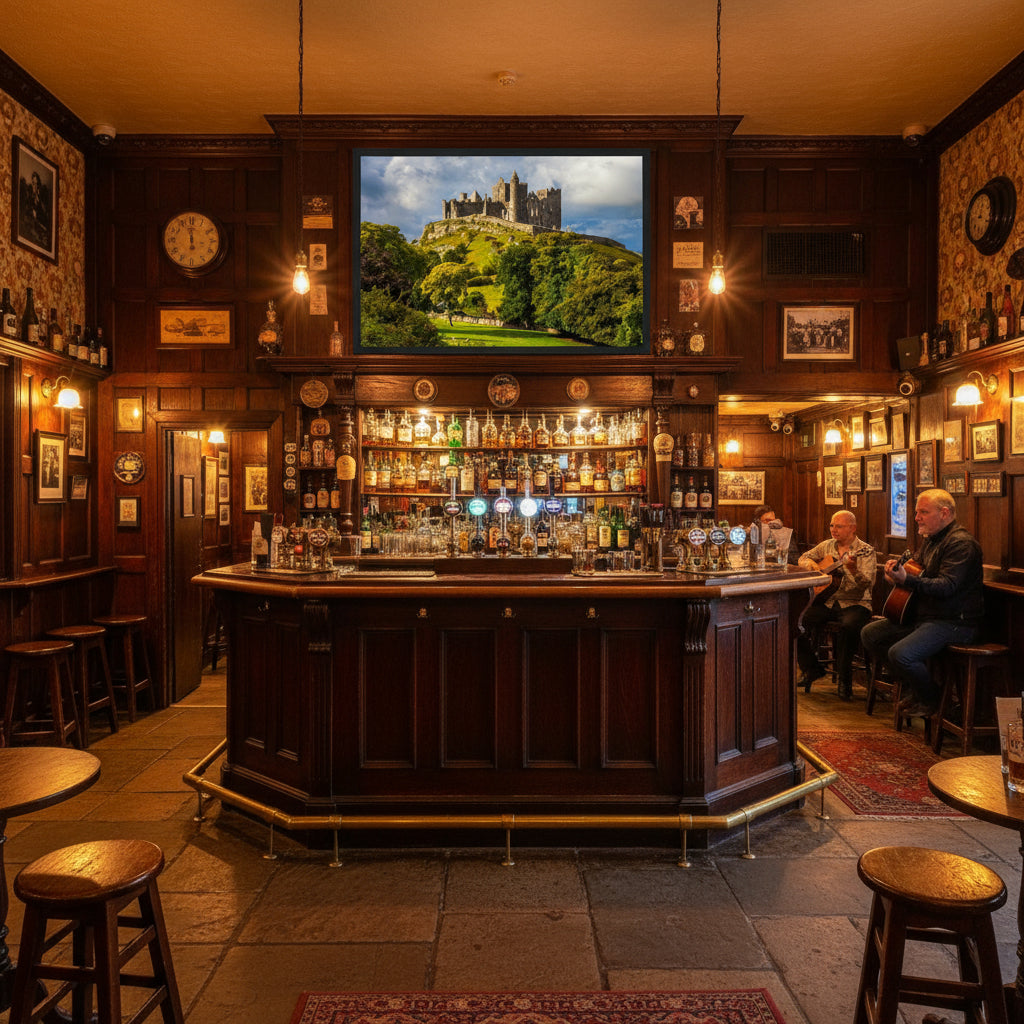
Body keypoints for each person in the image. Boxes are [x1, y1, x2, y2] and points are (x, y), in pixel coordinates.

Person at [860, 489, 984, 717]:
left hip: (954, 621)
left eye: (923, 512)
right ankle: (913, 689)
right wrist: (894, 575)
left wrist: (907, 580)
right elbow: (913, 570)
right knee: (870, 634)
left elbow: (947, 586)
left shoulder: (961, 544)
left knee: (901, 654)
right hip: (925, 617)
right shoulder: (931, 540)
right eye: (917, 512)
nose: (916, 518)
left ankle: (934, 700)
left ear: (944, 513)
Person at [796, 511, 876, 699]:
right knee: (796, 620)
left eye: (839, 526)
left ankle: (844, 679)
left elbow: (868, 584)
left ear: (852, 528)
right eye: (832, 525)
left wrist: (853, 569)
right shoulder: (826, 546)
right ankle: (812, 669)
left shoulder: (866, 550)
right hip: (829, 601)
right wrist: (813, 566)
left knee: (849, 626)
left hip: (857, 603)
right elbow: (803, 558)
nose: (834, 530)